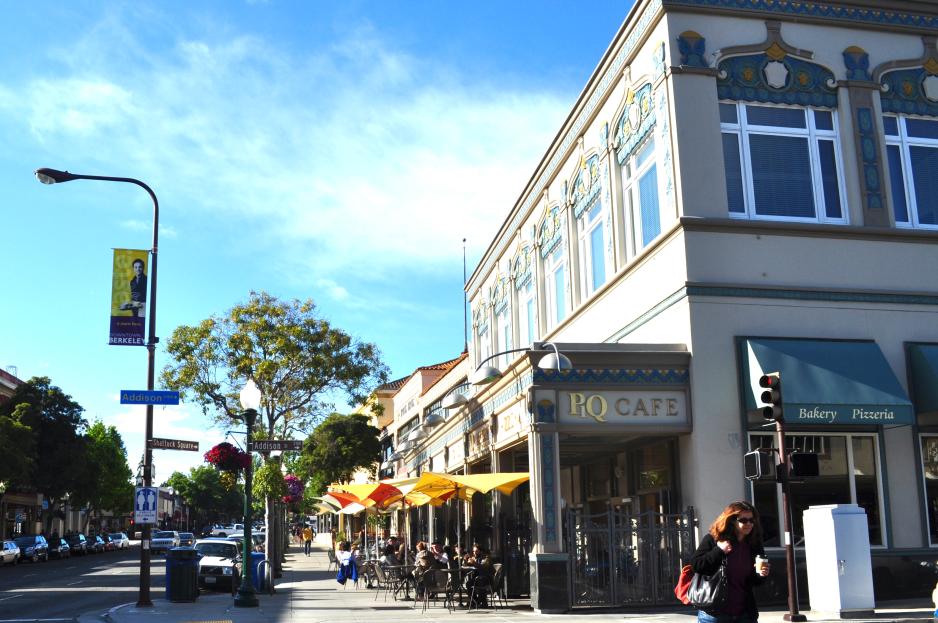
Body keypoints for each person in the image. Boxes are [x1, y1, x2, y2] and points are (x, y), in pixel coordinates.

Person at [689, 500, 770, 623]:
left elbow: (754, 581)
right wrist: (719, 550)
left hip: (745, 614)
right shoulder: (714, 539)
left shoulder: (754, 544)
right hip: (714, 614)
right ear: (732, 521)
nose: (749, 523)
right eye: (743, 520)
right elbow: (696, 565)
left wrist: (762, 574)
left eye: (751, 520)